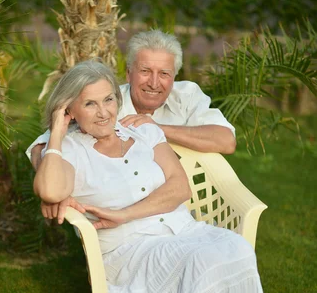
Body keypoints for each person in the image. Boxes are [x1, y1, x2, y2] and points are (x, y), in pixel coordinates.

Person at [33, 60, 266, 293]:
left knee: (235, 251)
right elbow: (52, 191)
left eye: (109, 99)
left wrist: (124, 213)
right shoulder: (68, 150)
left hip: (181, 230)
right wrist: (56, 135)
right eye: (89, 104)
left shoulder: (140, 132)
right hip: (131, 250)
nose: (104, 111)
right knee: (204, 265)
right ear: (69, 110)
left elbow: (179, 189)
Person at [27, 30, 236, 221]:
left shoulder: (187, 95)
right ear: (128, 73)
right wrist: (58, 194)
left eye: (164, 74)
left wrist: (157, 128)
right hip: (122, 215)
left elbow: (226, 141)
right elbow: (40, 148)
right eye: (145, 71)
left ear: (174, 77)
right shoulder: (106, 104)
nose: (154, 83)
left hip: (177, 207)